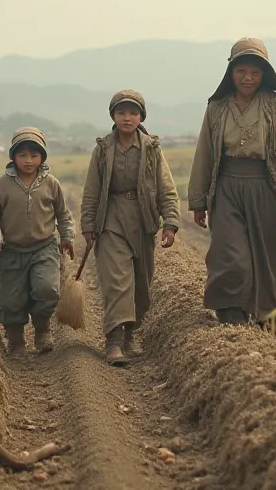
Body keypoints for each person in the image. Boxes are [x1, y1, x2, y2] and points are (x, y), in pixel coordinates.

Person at [187, 37, 276, 327]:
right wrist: (198, 200)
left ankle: (269, 314)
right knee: (230, 253)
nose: (248, 78)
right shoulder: (217, 107)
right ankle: (232, 313)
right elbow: (204, 152)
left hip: (265, 186)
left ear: (265, 73)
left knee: (268, 256)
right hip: (227, 187)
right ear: (231, 72)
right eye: (241, 71)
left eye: (255, 71)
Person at [80, 90, 181, 366]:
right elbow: (91, 191)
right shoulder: (102, 150)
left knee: (141, 284)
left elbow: (166, 188)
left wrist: (170, 222)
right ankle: (113, 341)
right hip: (111, 219)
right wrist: (88, 224)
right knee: (117, 281)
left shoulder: (152, 149)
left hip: (143, 219)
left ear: (141, 117)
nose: (127, 118)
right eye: (121, 112)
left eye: (133, 112)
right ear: (113, 116)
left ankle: (130, 335)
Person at [0, 127, 75, 357]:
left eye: (34, 155)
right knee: (12, 300)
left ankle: (42, 330)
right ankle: (16, 341)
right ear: (13, 157)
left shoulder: (51, 184)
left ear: (42, 157)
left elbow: (63, 214)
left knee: (47, 289)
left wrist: (67, 237)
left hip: (44, 248)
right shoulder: (0, 186)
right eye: (22, 155)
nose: (28, 161)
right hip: (12, 251)